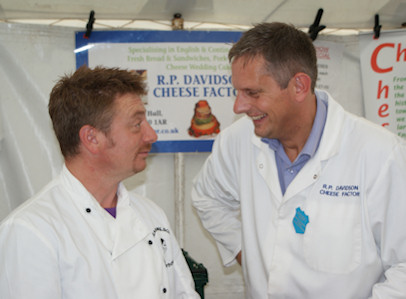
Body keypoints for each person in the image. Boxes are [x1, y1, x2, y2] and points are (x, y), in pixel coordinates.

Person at [192, 22, 406, 298]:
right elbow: (206, 198)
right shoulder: (237, 141)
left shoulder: (379, 154)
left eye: (253, 93)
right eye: (238, 91)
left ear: (299, 86)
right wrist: (247, 253)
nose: (238, 106)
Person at [0, 66, 199, 299]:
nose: (151, 135)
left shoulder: (151, 215)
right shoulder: (31, 231)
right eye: (137, 124)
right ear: (92, 138)